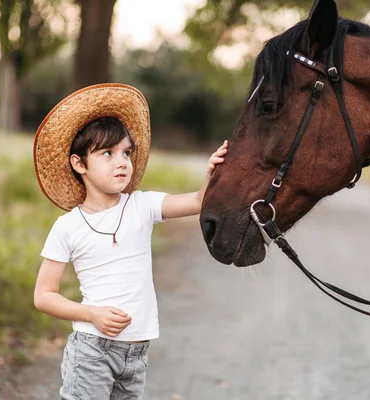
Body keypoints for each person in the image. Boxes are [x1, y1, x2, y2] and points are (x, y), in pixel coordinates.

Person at [32, 83, 228, 399]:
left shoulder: (141, 206)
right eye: (107, 153)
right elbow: (44, 295)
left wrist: (211, 173)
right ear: (79, 164)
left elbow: (197, 202)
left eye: (126, 152)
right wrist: (91, 314)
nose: (121, 162)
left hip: (136, 354)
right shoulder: (67, 227)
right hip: (92, 351)